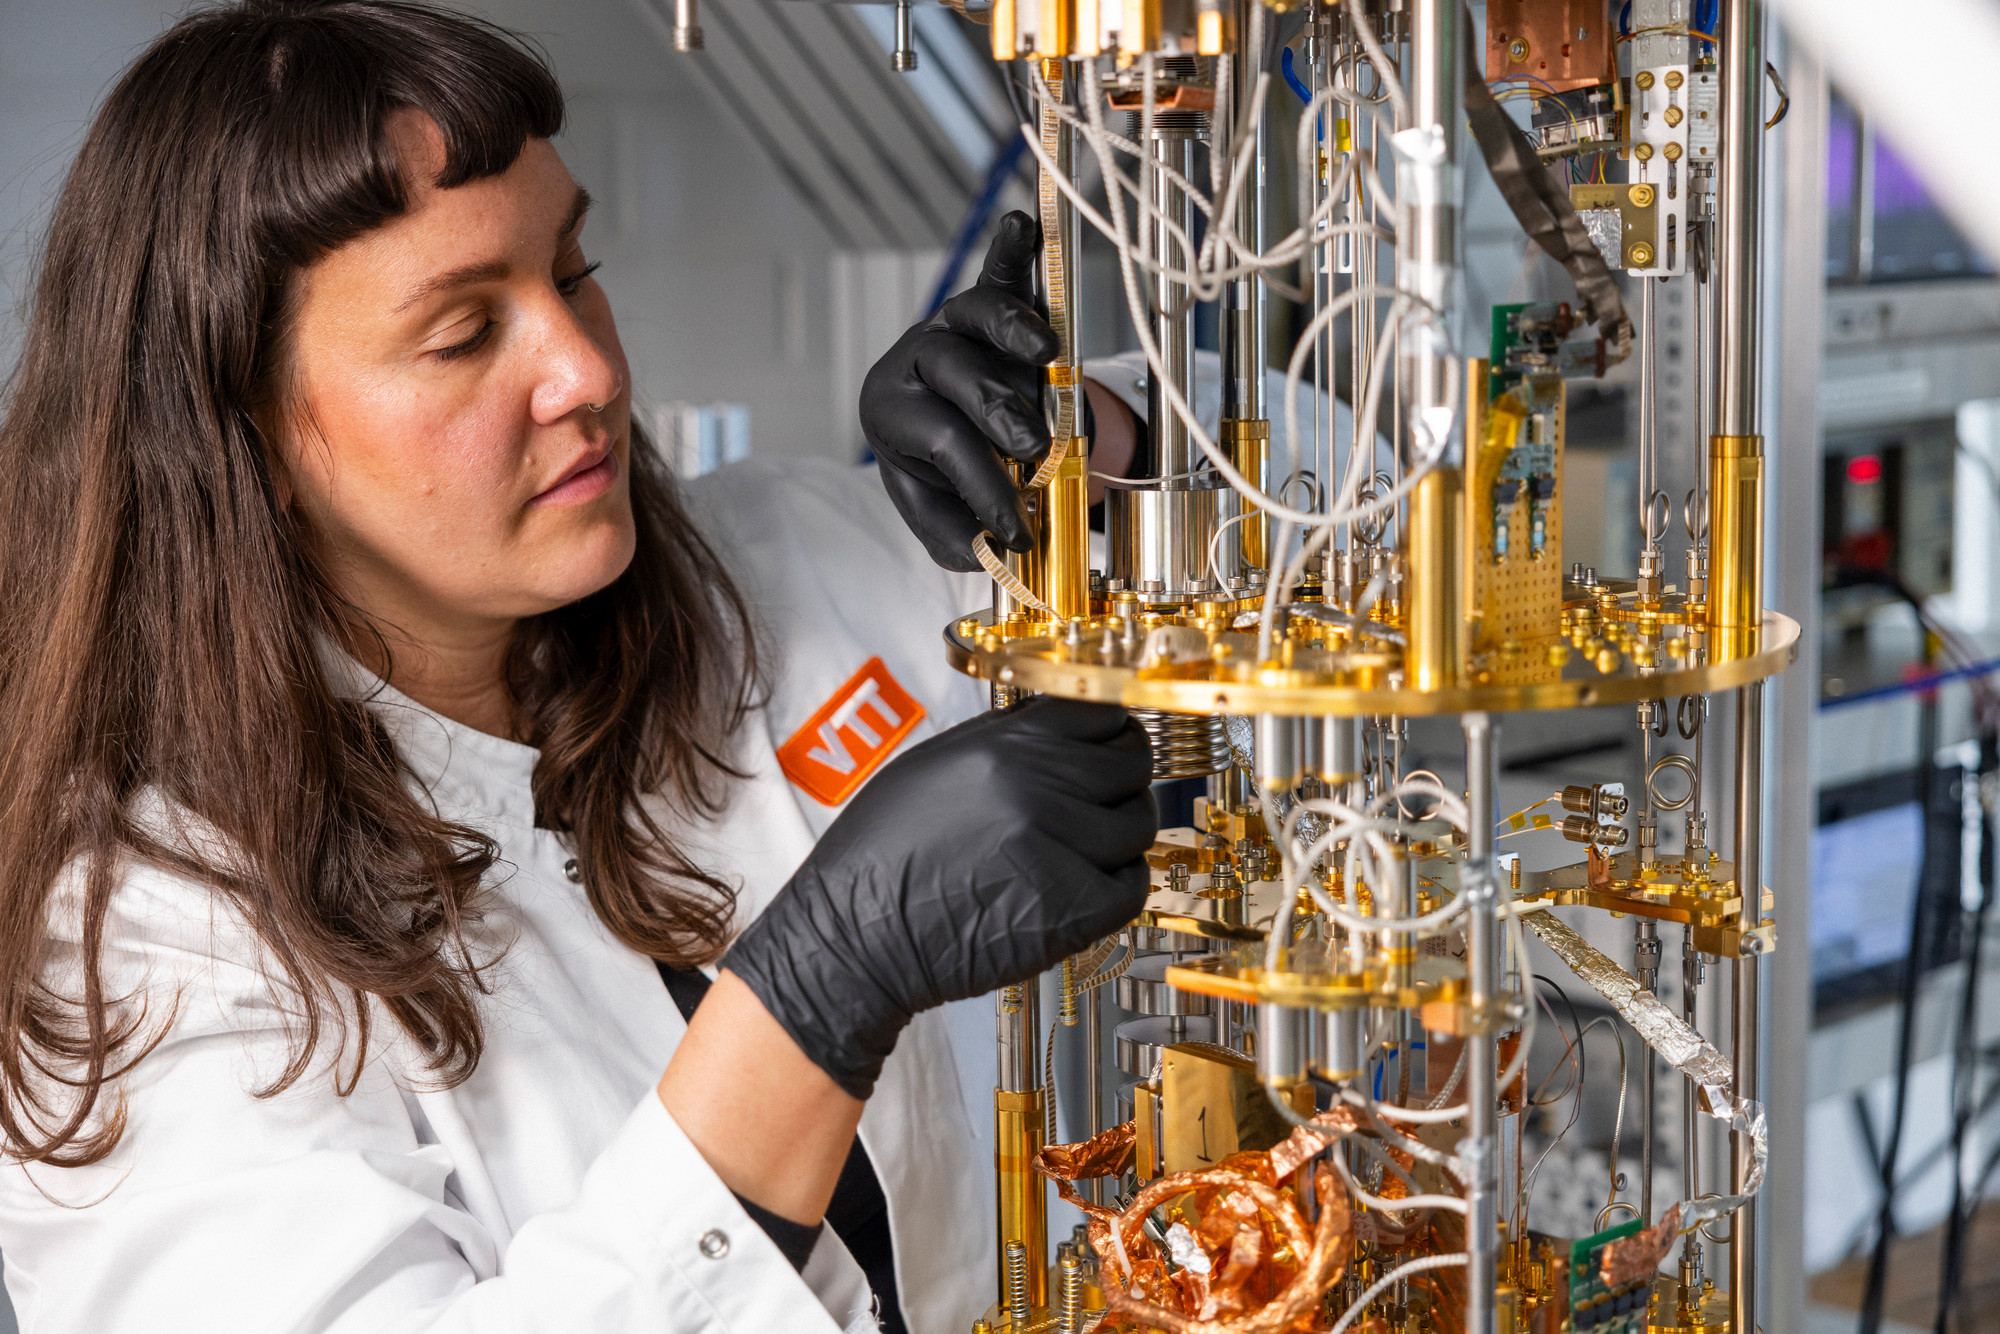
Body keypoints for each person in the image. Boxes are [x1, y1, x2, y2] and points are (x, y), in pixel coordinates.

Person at [0, 4, 1156, 1332]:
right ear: (239, 440)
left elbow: (1338, 502)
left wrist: (1086, 433)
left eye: (573, 265)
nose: (587, 367)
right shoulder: (150, 949)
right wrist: (816, 992)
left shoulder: (768, 574)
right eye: (463, 333)